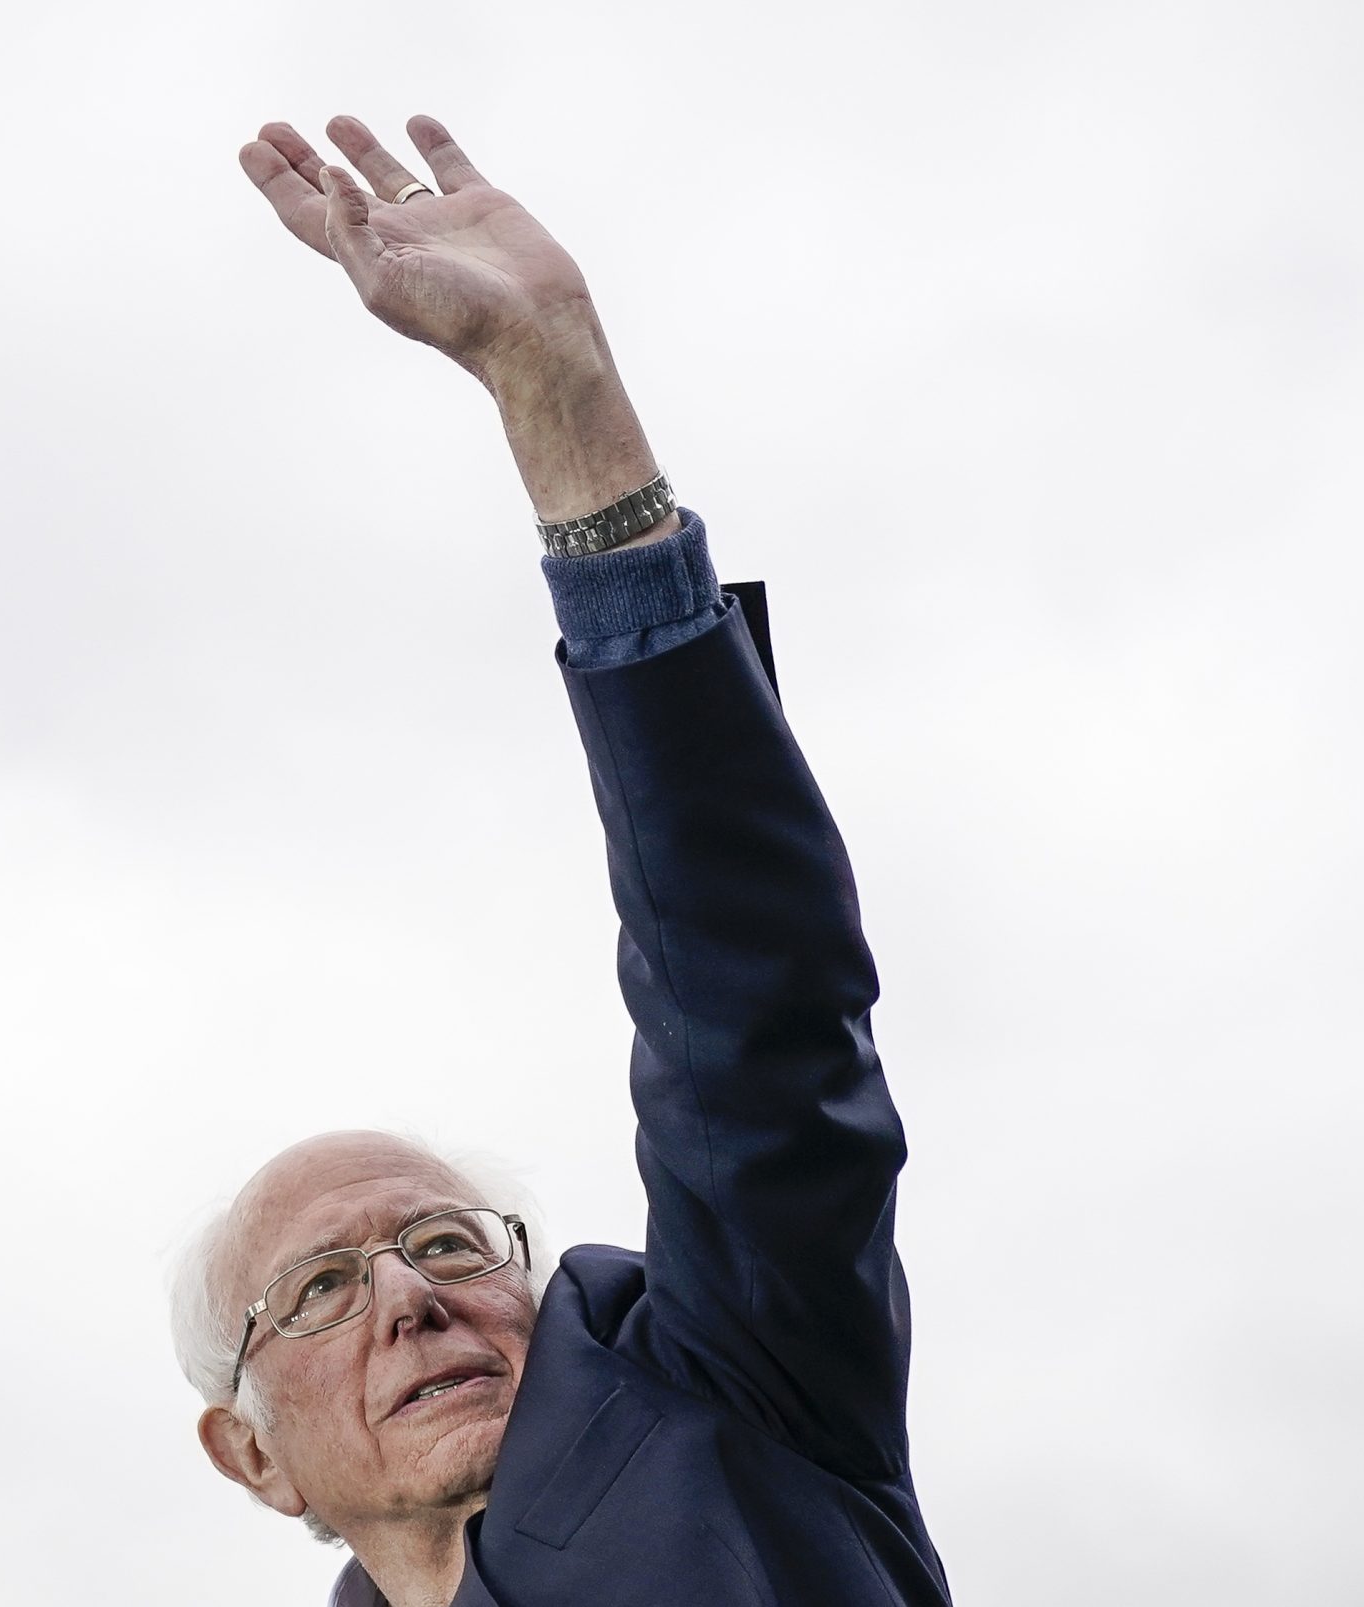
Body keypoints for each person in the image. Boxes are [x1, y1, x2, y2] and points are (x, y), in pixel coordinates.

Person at [181, 113, 953, 1607]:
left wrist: (560, 393)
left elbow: (754, 1014)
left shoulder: (740, 1387)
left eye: (450, 1244)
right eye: (324, 1290)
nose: (410, 1299)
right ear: (250, 1454)